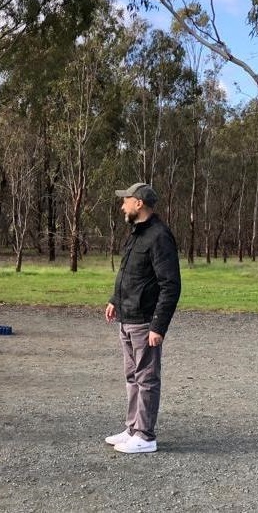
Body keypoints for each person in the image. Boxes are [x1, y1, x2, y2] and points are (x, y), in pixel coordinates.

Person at [104, 182, 181, 454]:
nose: (122, 205)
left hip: (146, 322)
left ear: (139, 203)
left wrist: (158, 325)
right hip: (127, 317)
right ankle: (133, 428)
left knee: (147, 378)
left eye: (125, 200)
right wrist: (115, 300)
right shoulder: (136, 233)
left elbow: (170, 284)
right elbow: (130, 273)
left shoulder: (159, 236)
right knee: (132, 376)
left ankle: (146, 436)